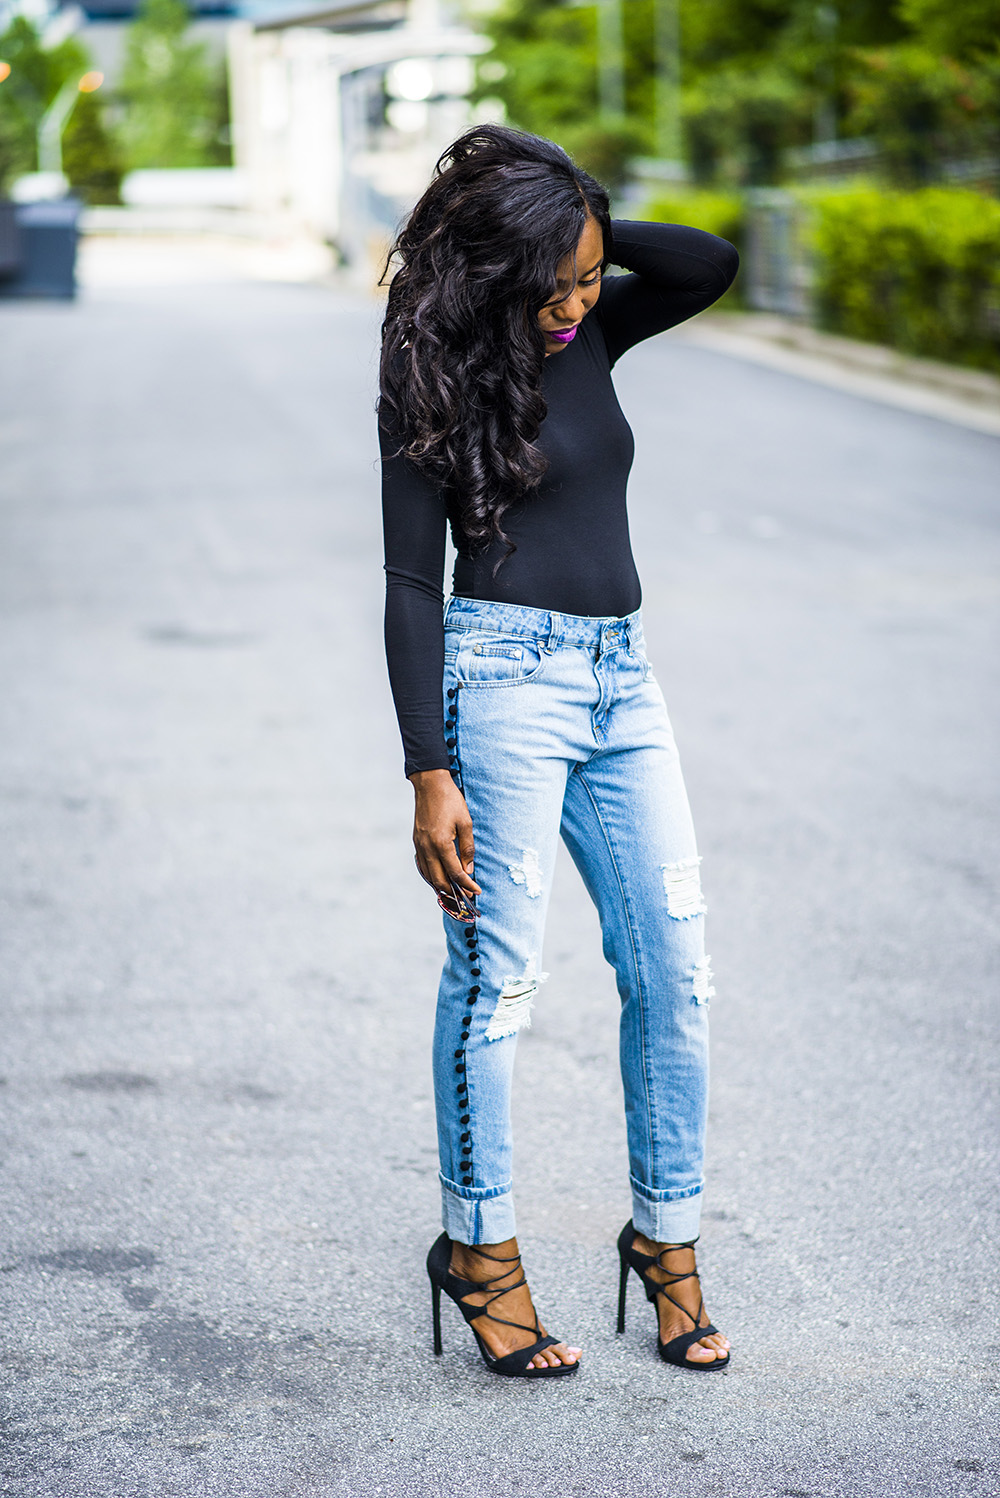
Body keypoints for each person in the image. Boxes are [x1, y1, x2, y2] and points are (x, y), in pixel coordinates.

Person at [379, 125, 738, 1380]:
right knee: (499, 983)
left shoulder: (592, 330)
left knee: (676, 972)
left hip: (622, 682)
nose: (579, 304)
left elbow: (705, 263)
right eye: (557, 284)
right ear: (498, 269)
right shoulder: (430, 367)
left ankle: (667, 1240)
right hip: (500, 686)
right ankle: (479, 1249)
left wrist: (580, 224)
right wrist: (427, 768)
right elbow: (409, 584)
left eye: (591, 279)